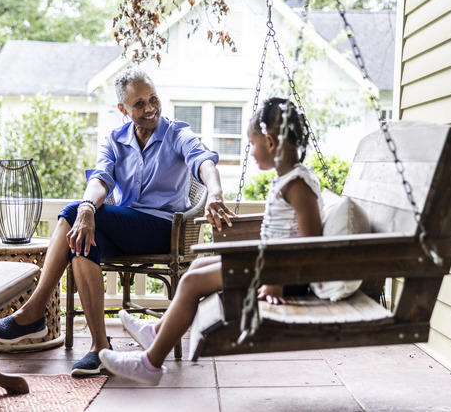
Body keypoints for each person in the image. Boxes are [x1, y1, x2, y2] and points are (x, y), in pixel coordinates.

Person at [0, 68, 235, 376]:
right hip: (127, 228)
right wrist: (88, 206)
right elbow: (101, 178)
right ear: (123, 110)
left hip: (163, 229)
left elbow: (204, 162)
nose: (150, 108)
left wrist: (215, 193)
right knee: (80, 238)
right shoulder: (115, 139)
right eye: (139, 104)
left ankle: (33, 311)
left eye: (153, 99)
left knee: (74, 212)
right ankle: (99, 348)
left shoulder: (177, 133)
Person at [98, 97, 324, 386]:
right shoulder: (289, 179)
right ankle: (156, 331)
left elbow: (312, 247)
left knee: (191, 284)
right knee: (197, 267)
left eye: (251, 144)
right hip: (268, 266)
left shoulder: (297, 185)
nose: (250, 152)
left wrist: (277, 280)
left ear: (269, 142)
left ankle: (150, 364)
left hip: (280, 276)